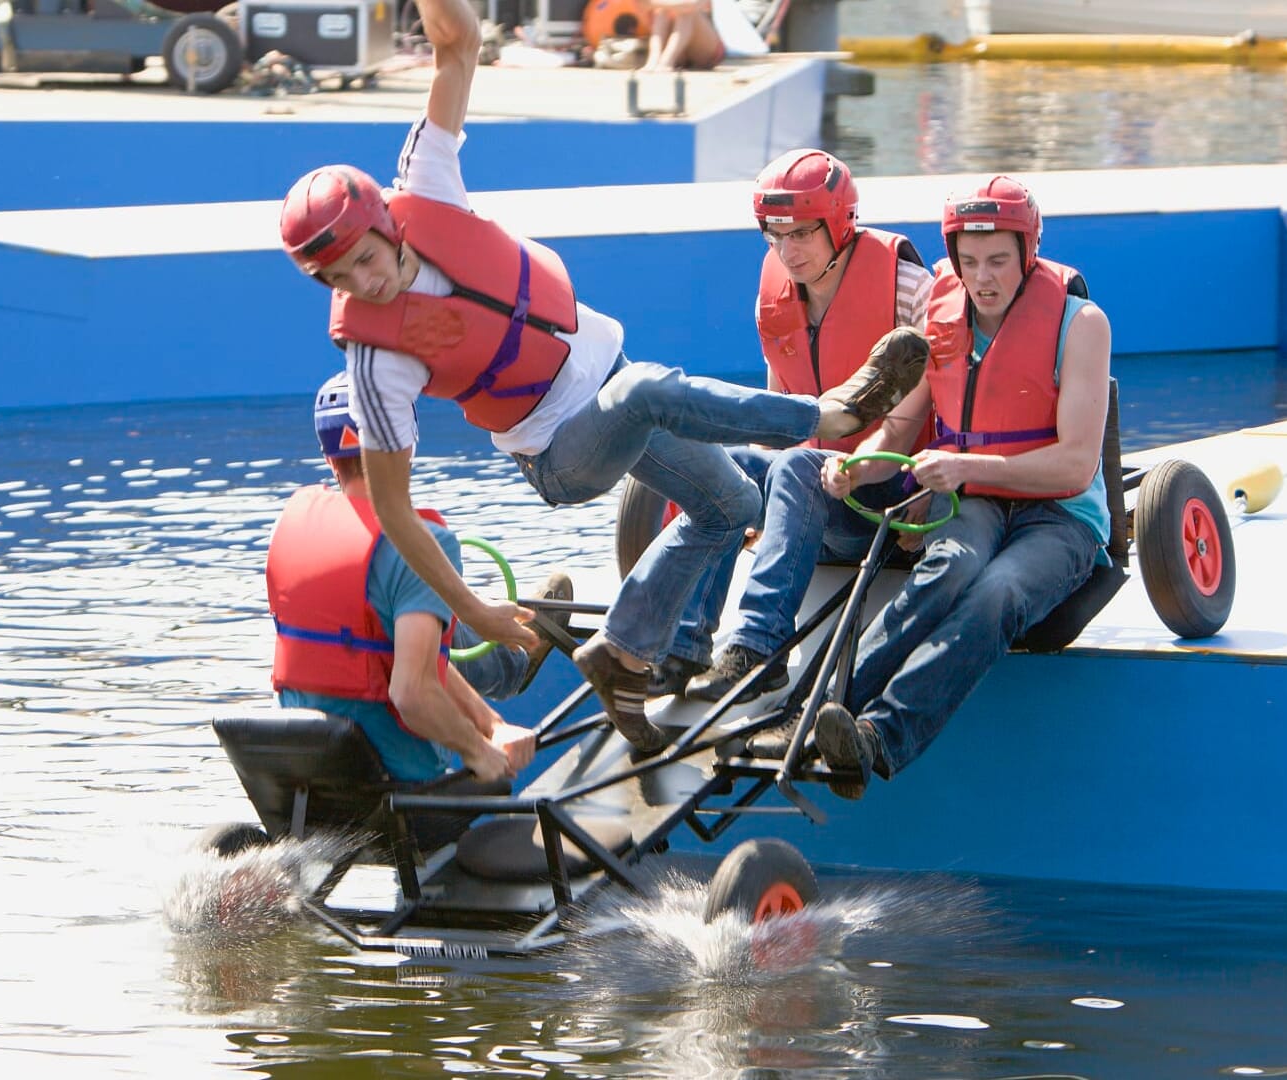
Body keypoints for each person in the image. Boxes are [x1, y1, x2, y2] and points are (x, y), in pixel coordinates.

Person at [275, 0, 929, 755]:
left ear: (388, 226)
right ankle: (830, 418)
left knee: (730, 504)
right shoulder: (376, 360)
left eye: (365, 258)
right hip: (561, 451)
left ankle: (631, 654)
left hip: (603, 381)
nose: (364, 283)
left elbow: (457, 42)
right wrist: (478, 611)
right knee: (648, 392)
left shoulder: (427, 181)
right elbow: (393, 511)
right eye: (337, 277)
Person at [790, 176, 1113, 799]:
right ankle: (809, 715)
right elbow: (902, 426)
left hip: (1061, 516)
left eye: (997, 261)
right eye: (968, 262)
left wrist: (968, 469)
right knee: (950, 568)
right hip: (974, 503)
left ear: (1029, 251)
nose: (982, 278)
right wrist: (856, 465)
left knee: (997, 592)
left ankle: (877, 740)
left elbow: (1075, 467)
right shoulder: (940, 317)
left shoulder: (1083, 324)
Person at [653, 148, 939, 703]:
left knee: (797, 466)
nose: (788, 251)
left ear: (839, 223)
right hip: (806, 485)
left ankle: (760, 646)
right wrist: (752, 502)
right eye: (774, 235)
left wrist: (851, 472)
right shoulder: (776, 292)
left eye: (802, 234)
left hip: (883, 499)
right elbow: (775, 413)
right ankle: (683, 643)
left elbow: (903, 430)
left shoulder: (910, 290)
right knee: (725, 463)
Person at [267, 373, 572, 784]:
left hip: (305, 767)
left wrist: (492, 724)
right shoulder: (421, 546)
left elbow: (395, 660)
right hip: (394, 777)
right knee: (493, 779)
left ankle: (508, 668)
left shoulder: (291, 527)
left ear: (327, 456)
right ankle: (513, 665)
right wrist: (479, 751)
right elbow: (411, 694)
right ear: (406, 444)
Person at [642, 0, 725, 72]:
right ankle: (654, 59)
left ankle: (667, 61)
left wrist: (655, 3)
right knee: (661, 12)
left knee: (686, 11)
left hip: (705, 51)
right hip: (681, 55)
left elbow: (694, 5)